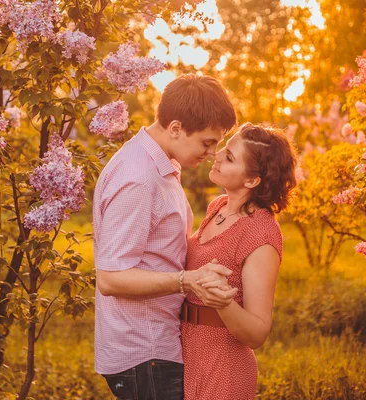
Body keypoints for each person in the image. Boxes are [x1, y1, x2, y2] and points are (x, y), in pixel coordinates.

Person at [92, 74, 237, 400]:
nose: (213, 153)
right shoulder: (137, 178)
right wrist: (187, 280)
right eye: (207, 142)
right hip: (144, 351)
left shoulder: (162, 163)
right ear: (175, 128)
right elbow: (112, 279)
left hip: (157, 342)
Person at [181, 123, 298, 400]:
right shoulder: (217, 208)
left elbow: (258, 333)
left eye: (230, 157)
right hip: (187, 354)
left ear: (252, 181)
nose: (217, 156)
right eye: (224, 149)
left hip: (224, 367)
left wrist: (223, 302)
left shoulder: (261, 233)